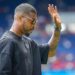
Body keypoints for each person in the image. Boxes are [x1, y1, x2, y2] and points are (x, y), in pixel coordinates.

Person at [0, 3, 61, 75]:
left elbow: (50, 52)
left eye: (36, 22)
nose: (34, 26)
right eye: (33, 21)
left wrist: (57, 28)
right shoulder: (7, 42)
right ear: (20, 18)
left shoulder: (29, 43)